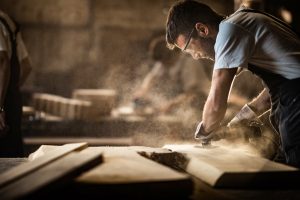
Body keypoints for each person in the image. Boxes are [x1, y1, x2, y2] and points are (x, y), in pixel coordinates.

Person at [166, 0, 300, 167]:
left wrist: (205, 132)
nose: (195, 56)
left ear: (202, 29)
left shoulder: (229, 30)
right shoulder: (241, 23)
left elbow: (216, 104)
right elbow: (272, 93)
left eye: (189, 47)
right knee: (282, 169)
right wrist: (239, 120)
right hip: (293, 96)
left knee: (292, 176)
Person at [133, 36, 212, 125]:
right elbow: (152, 78)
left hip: (199, 105)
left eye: (164, 61)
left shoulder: (189, 62)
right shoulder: (165, 62)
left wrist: (171, 105)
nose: (162, 64)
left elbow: (191, 94)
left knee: (190, 122)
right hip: (179, 104)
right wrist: (143, 91)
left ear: (171, 55)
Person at [0, 9, 32, 157]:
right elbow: (26, 66)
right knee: (12, 158)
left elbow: (3, 61)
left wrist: (0, 107)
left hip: (2, 106)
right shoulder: (8, 21)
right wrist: (12, 90)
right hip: (12, 102)